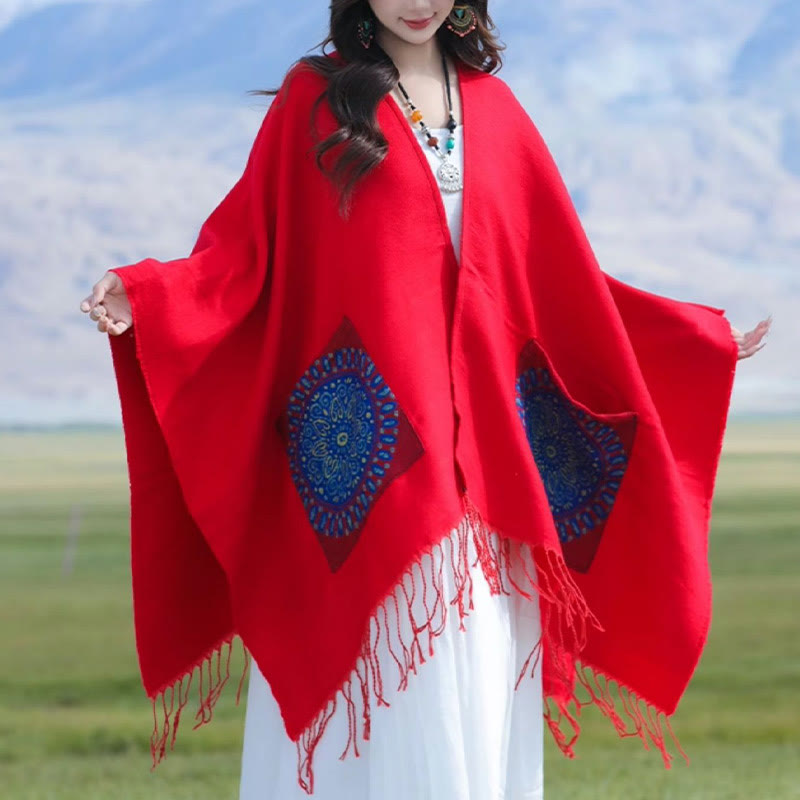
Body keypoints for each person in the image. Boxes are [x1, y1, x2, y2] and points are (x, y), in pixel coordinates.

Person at [79, 3, 771, 799]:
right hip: (370, 465)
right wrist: (148, 295)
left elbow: (559, 285)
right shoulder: (318, 100)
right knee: (393, 701)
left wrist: (687, 337)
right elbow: (240, 254)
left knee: (470, 706)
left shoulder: (497, 112)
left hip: (487, 487)